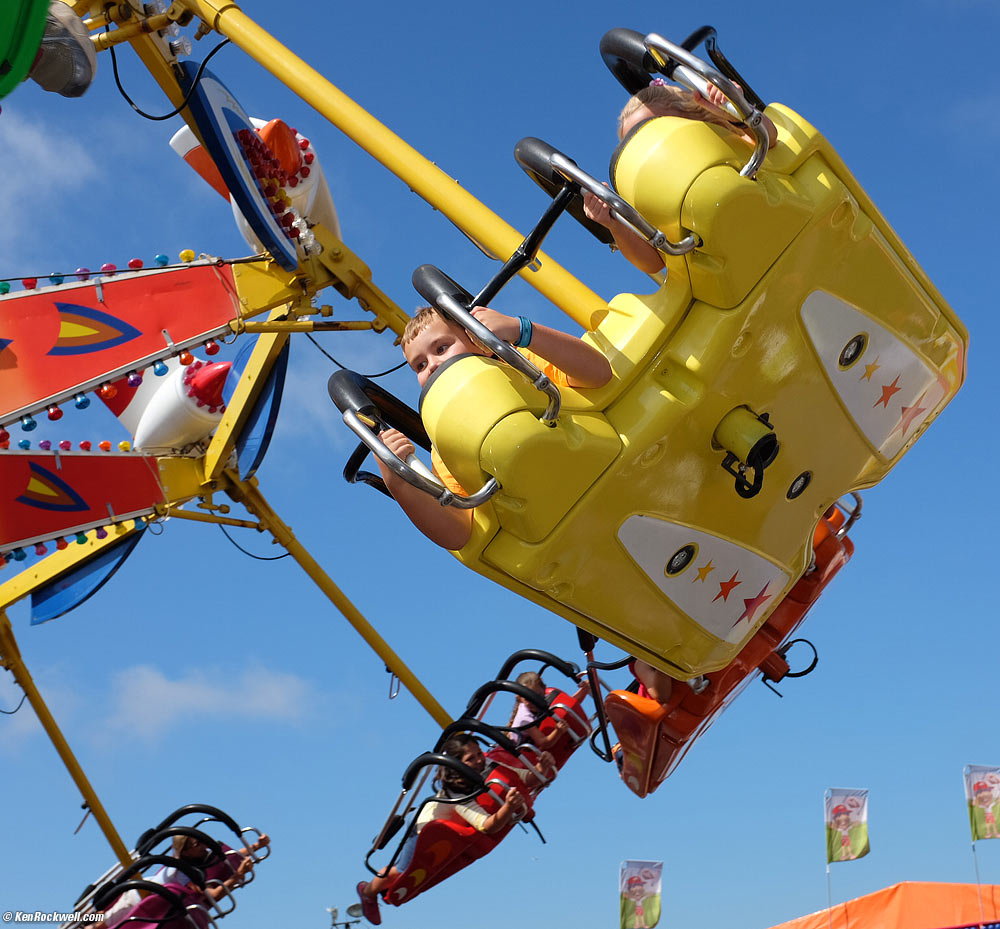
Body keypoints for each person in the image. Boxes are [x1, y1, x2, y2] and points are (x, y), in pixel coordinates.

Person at [376, 305, 613, 550]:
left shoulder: (523, 365)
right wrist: (396, 479)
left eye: (441, 348)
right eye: (420, 366)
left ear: (476, 339)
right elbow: (458, 534)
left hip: (604, 455)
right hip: (555, 527)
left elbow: (599, 373)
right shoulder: (446, 446)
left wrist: (519, 329)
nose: (433, 365)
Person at [583, 81, 779, 275]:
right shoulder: (658, 204)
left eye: (658, 127)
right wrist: (612, 222)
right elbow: (655, 263)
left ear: (689, 114)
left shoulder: (734, 142)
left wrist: (735, 111)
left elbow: (769, 138)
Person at [356, 734, 528, 925]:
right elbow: (487, 826)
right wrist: (508, 808)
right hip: (423, 827)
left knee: (406, 867)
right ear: (457, 766)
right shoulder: (456, 795)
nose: (479, 760)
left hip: (438, 824)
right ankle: (368, 892)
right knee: (401, 869)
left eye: (479, 753)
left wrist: (540, 770)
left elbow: (517, 773)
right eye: (470, 759)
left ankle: (380, 887)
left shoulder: (484, 763)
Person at [506, 671, 569, 750]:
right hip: (522, 753)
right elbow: (543, 743)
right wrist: (558, 731)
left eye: (538, 695)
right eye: (528, 699)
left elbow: (569, 705)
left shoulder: (546, 698)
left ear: (544, 688)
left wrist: (583, 690)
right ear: (519, 698)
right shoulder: (524, 719)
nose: (534, 701)